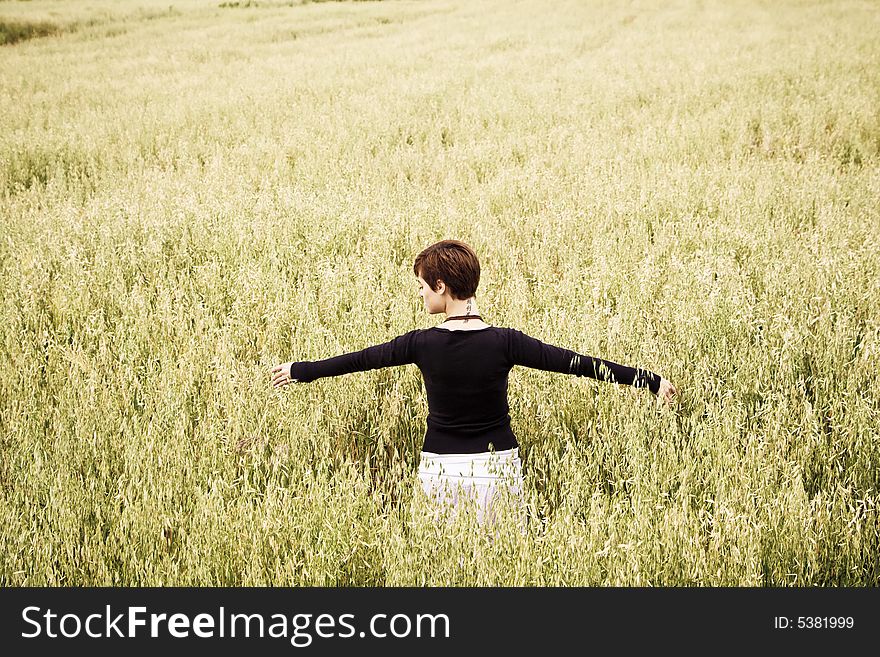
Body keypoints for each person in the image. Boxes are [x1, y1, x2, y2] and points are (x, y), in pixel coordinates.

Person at [270, 240, 677, 529]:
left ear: (441, 287)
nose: (421, 294)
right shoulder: (506, 342)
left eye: (422, 286)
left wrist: (301, 370)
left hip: (440, 473)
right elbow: (578, 364)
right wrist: (651, 381)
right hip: (499, 470)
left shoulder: (421, 343)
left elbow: (359, 360)